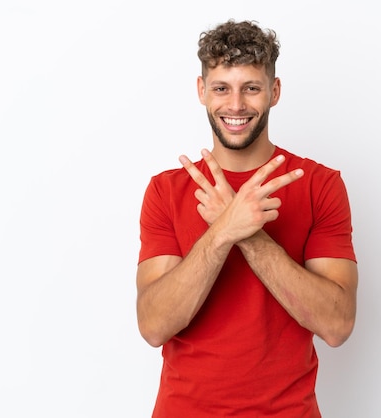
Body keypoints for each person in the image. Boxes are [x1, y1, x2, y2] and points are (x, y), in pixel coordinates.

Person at [135, 19, 358, 417]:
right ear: (202, 91)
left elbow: (337, 325)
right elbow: (153, 326)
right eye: (222, 88)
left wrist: (248, 234)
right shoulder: (165, 191)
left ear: (274, 91)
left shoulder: (320, 185)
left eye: (251, 88)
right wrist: (222, 232)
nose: (235, 105)